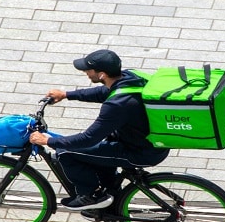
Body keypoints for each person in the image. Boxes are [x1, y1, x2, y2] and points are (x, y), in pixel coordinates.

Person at [28, 49, 170, 211]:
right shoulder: (130, 77)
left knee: (65, 151)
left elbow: (88, 138)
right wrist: (66, 94)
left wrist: (48, 141)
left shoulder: (117, 105)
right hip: (151, 144)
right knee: (96, 151)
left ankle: (89, 196)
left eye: (88, 70)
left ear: (102, 74)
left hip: (139, 153)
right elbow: (102, 92)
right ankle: (111, 195)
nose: (85, 72)